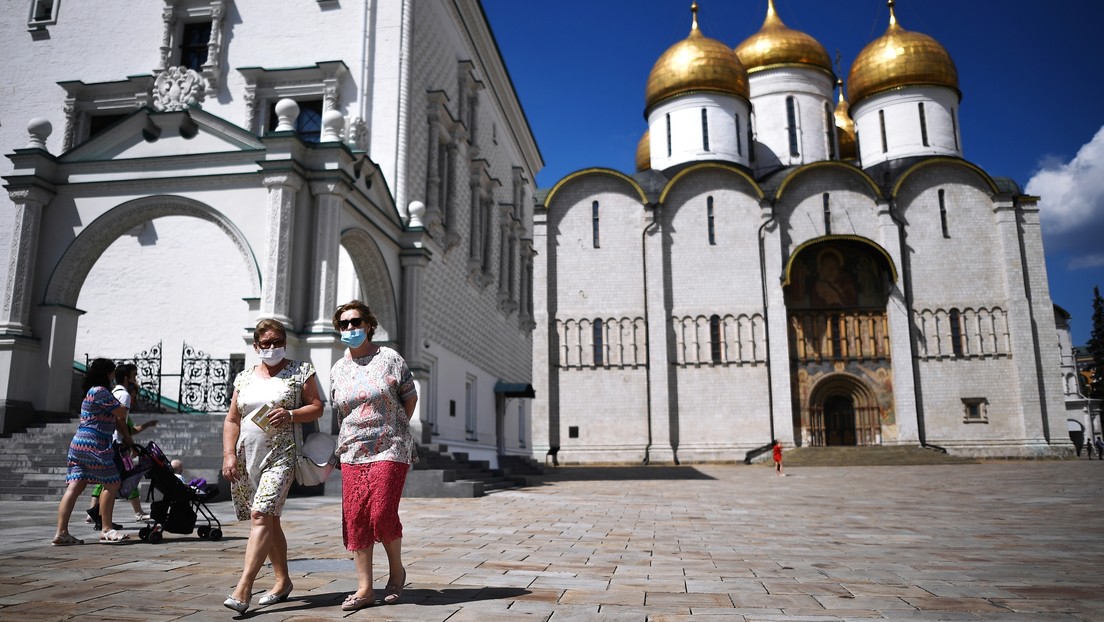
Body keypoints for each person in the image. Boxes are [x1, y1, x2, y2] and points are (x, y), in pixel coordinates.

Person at [221, 319, 324, 614]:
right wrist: (229, 454)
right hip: (246, 457)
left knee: (261, 514)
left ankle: (244, 588)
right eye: (265, 343)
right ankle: (282, 582)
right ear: (256, 346)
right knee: (270, 520)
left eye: (277, 341)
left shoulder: (300, 371)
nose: (272, 347)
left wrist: (291, 414)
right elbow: (232, 419)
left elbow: (317, 406)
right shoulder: (243, 378)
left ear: (285, 342)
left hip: (282, 455)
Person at [329, 300, 418, 611]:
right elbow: (340, 411)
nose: (351, 328)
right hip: (352, 450)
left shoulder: (390, 358)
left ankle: (396, 573)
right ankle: (365, 589)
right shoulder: (338, 369)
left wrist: (394, 428)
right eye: (344, 324)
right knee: (356, 519)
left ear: (368, 325)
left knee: (380, 513)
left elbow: (410, 396)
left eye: (356, 322)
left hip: (390, 446)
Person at [53, 358, 135, 545]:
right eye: (112, 373)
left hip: (79, 443)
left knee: (75, 486)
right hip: (95, 443)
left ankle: (61, 532)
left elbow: (115, 419)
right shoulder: (100, 391)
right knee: (112, 483)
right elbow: (121, 413)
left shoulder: (91, 392)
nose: (114, 376)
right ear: (107, 373)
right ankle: (107, 529)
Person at [86, 363, 158, 526]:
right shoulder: (123, 395)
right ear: (127, 378)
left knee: (113, 482)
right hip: (118, 445)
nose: (136, 378)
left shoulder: (112, 393)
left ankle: (101, 518)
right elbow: (119, 420)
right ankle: (103, 521)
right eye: (134, 375)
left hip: (110, 442)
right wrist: (130, 443)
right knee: (115, 483)